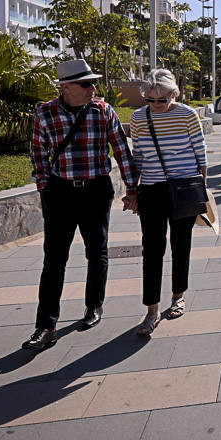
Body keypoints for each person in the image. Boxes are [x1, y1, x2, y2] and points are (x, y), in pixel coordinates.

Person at [23, 59, 138, 351]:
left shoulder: (103, 111)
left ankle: (94, 306)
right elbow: (38, 154)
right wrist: (44, 189)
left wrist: (132, 189)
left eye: (93, 83)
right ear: (66, 87)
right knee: (54, 259)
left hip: (96, 190)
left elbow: (121, 150)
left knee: (96, 251)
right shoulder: (45, 113)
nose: (93, 88)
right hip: (59, 191)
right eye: (86, 84)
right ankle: (45, 326)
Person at [128, 69, 209, 336]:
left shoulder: (187, 115)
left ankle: (178, 296)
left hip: (183, 189)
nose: (155, 104)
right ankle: (151, 311)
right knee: (151, 250)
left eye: (161, 99)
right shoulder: (139, 117)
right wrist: (133, 192)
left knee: (180, 245)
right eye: (150, 99)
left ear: (174, 94)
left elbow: (201, 155)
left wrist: (201, 191)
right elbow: (138, 156)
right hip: (151, 190)